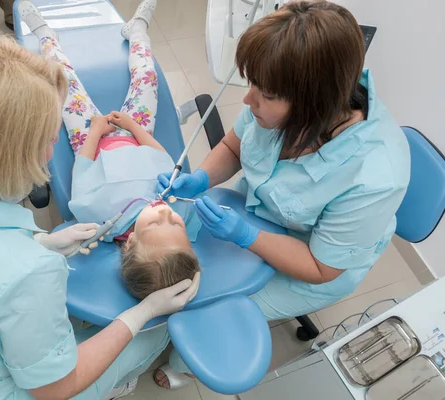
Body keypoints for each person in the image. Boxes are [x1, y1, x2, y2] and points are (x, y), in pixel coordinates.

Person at [0, 25, 199, 400]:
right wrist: (145, 311)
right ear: (2, 156)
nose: (51, 154)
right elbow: (54, 388)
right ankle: (115, 384)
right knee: (157, 331)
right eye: (48, 140)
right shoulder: (24, 274)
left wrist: (42, 243)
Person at [155, 0, 410, 389]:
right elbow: (235, 147)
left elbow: (322, 268)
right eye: (251, 84)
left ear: (313, 105)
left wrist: (246, 237)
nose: (247, 100)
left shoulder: (375, 175)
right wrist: (203, 178)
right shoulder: (278, 102)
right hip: (255, 212)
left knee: (209, 303)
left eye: (266, 93)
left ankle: (184, 367)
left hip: (313, 264)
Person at [20, 0, 201, 300]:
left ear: (129, 243)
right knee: (147, 76)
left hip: (91, 138)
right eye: (176, 222)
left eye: (157, 222)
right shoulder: (171, 200)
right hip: (134, 132)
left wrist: (94, 133)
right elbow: (159, 155)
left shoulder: (99, 216)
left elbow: (84, 167)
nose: (165, 213)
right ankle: (138, 31)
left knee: (64, 81)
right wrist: (134, 127)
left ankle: (45, 36)